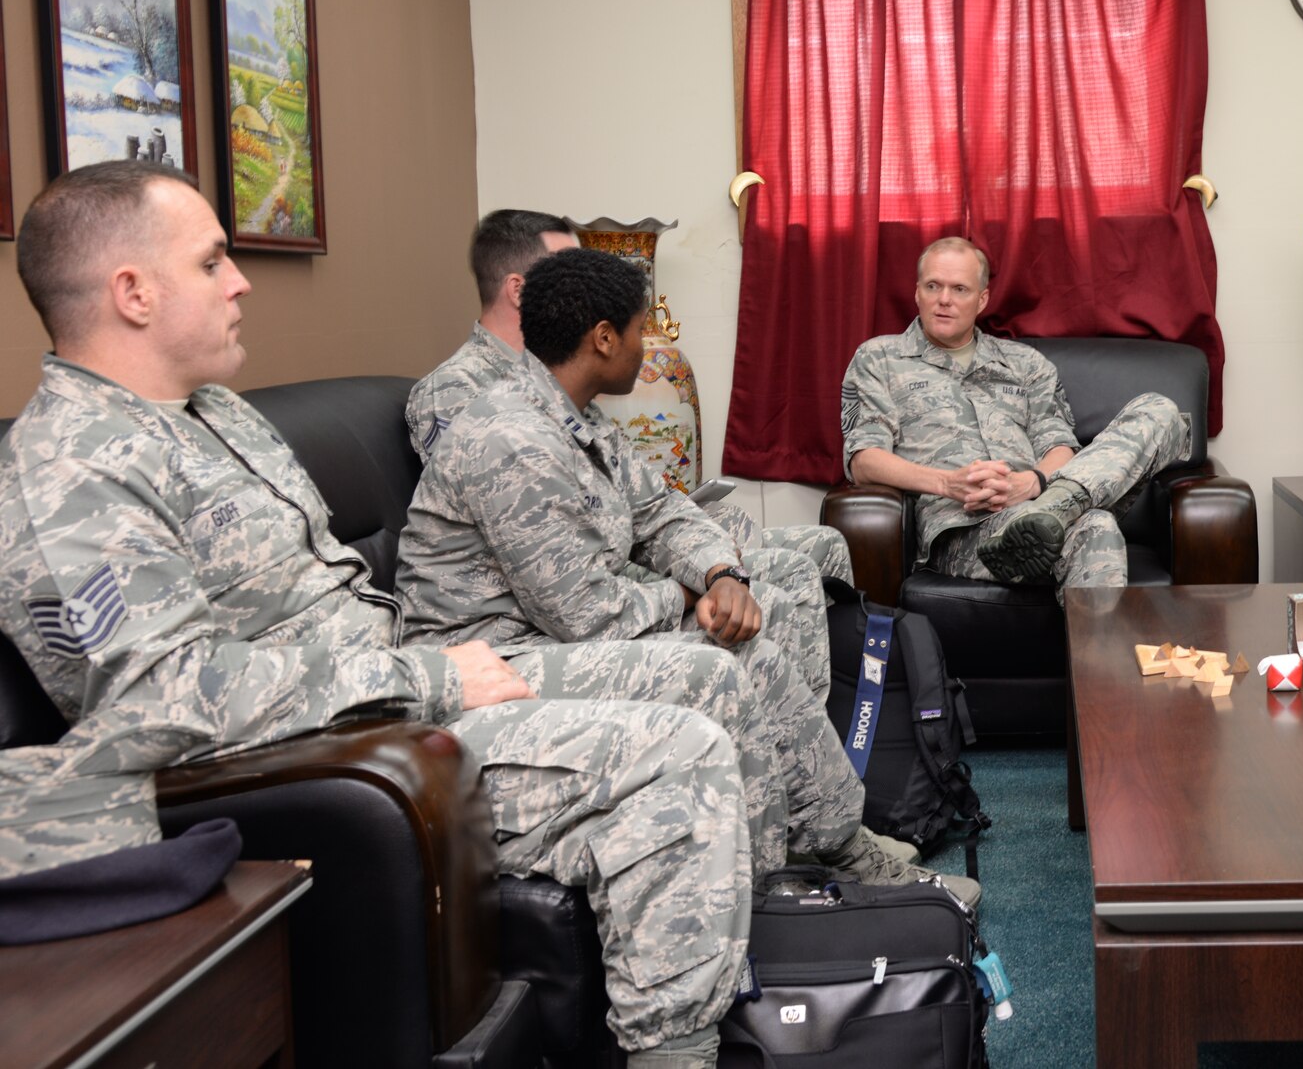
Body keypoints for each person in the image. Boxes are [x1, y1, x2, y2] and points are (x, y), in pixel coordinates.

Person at [0, 163, 743, 1068]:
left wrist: (428, 669)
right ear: (133, 292)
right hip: (316, 757)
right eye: (211, 262)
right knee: (679, 751)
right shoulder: (70, 472)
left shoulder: (213, 412)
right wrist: (431, 677)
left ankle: (735, 978)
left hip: (392, 683)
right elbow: (161, 698)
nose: (238, 281)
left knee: (704, 674)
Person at [394, 248, 974, 907]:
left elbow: (662, 507)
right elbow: (586, 614)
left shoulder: (573, 416)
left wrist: (723, 571)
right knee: (733, 661)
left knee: (755, 614)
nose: (647, 344)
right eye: (640, 329)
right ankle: (801, 872)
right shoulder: (511, 439)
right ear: (603, 339)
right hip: (495, 661)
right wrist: (688, 593)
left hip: (555, 631)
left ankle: (821, 840)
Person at [408, 209, 853, 589]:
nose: (581, 280)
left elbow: (628, 491)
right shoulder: (453, 391)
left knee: (800, 543)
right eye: (565, 268)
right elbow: (528, 537)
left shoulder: (560, 382)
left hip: (619, 542)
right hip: (564, 580)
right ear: (521, 289)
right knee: (779, 578)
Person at [842, 237, 1191, 598]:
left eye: (959, 289)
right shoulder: (879, 358)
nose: (944, 299)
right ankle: (1054, 523)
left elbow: (1060, 446)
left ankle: (1056, 508)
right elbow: (864, 460)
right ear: (917, 293)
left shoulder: (1025, 364)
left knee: (1160, 410)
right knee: (1097, 524)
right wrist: (948, 484)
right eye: (933, 286)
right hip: (966, 528)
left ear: (982, 299)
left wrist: (1033, 484)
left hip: (1039, 499)